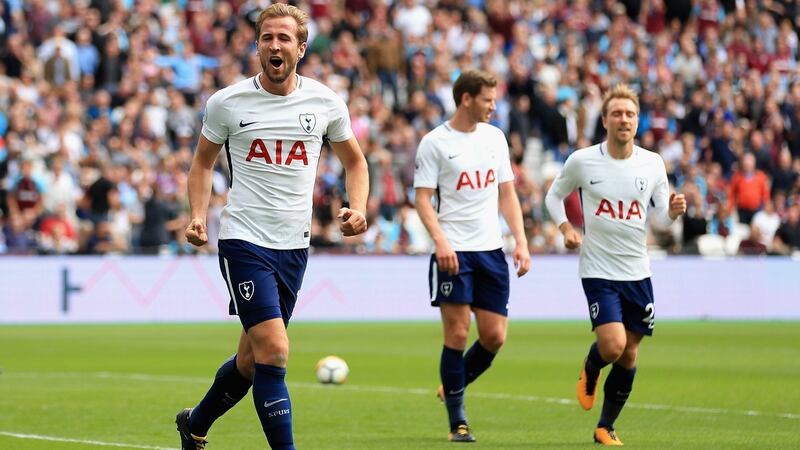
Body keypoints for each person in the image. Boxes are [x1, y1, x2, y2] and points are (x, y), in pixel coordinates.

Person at [175, 4, 368, 450]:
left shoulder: (324, 103)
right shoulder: (227, 103)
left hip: (293, 248)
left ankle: (195, 424)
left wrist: (357, 207)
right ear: (258, 45)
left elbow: (356, 162)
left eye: (284, 38)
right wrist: (199, 215)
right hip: (244, 240)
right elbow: (202, 164)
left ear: (301, 48)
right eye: (267, 38)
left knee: (249, 361)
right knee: (275, 352)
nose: (275, 45)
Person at [544, 84, 686, 446]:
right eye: (617, 113)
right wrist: (565, 227)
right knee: (612, 346)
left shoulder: (652, 163)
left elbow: (659, 219)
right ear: (605, 120)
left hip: (638, 271)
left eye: (630, 114)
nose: (624, 119)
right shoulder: (583, 161)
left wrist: (670, 212)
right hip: (598, 269)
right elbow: (553, 195)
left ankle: (605, 427)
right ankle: (591, 369)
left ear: (637, 122)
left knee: (630, 353)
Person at [413, 69, 531, 443]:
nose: (494, 107)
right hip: (454, 252)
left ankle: (453, 382)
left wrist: (521, 241)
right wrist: (441, 241)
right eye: (487, 100)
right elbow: (422, 200)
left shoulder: (495, 138)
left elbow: (507, 193)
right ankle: (457, 422)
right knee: (459, 332)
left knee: (494, 336)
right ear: (466, 99)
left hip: (491, 251)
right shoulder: (434, 143)